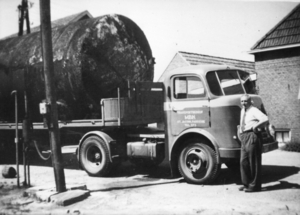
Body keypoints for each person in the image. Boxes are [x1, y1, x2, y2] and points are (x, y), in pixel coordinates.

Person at [239, 94, 269, 192]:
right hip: (244, 137)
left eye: (245, 101)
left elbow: (265, 119)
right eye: (242, 101)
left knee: (254, 162)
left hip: (252, 136)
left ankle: (255, 186)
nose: (243, 103)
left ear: (250, 101)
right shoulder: (243, 110)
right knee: (243, 162)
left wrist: (256, 127)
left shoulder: (254, 110)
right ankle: (246, 183)